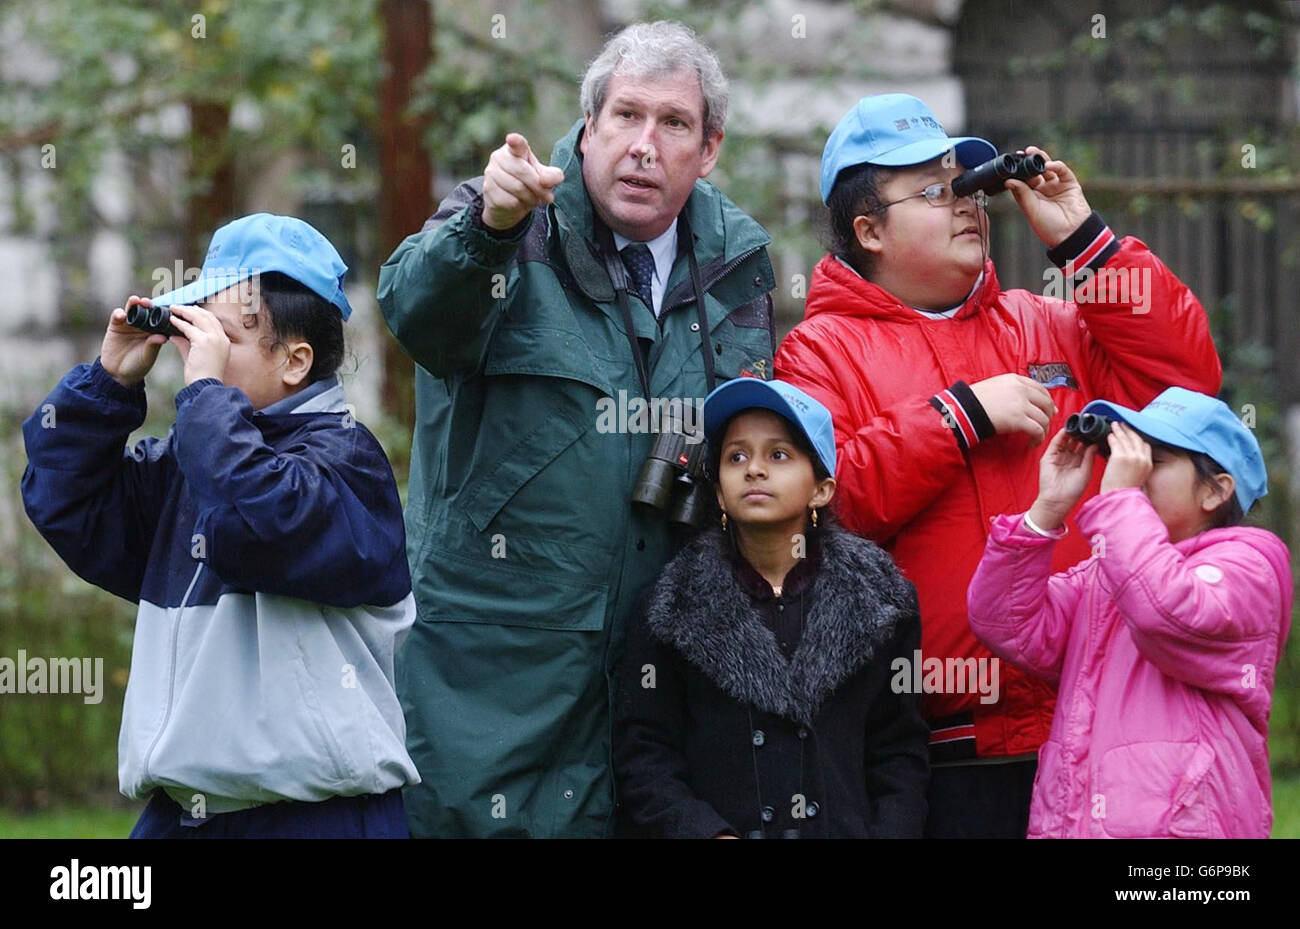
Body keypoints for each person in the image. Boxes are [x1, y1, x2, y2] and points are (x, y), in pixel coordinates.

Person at [773, 93, 1222, 838]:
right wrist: (959, 415)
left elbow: (1187, 384)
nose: (967, 206)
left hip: (1092, 727)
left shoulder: (1047, 319)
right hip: (931, 749)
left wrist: (1084, 242)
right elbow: (826, 504)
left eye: (968, 185)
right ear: (869, 230)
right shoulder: (818, 350)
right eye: (933, 190)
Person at [377, 21, 776, 838]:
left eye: (673, 124)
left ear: (708, 151)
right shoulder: (504, 220)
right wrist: (487, 228)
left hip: (669, 684)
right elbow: (418, 315)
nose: (643, 146)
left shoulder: (737, 261)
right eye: (624, 116)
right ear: (588, 127)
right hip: (499, 678)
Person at [21, 213, 419, 838]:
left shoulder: (347, 463)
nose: (194, 351)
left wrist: (206, 397)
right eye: (191, 326)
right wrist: (107, 383)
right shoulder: (198, 463)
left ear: (295, 360)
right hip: (186, 813)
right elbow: (68, 504)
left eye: (221, 334)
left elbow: (263, 521)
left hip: (318, 818)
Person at [967, 388, 1291, 838]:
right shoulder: (1110, 571)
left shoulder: (1248, 565)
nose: (1130, 472)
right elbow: (1007, 624)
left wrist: (1119, 502)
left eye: (1152, 461)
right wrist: (1047, 511)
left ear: (1216, 491)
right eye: (1121, 455)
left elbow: (1169, 613)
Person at [614, 378, 928, 838]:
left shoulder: (883, 602)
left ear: (821, 489)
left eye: (778, 455)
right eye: (736, 456)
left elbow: (899, 750)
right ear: (719, 493)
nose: (754, 470)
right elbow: (644, 751)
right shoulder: (669, 605)